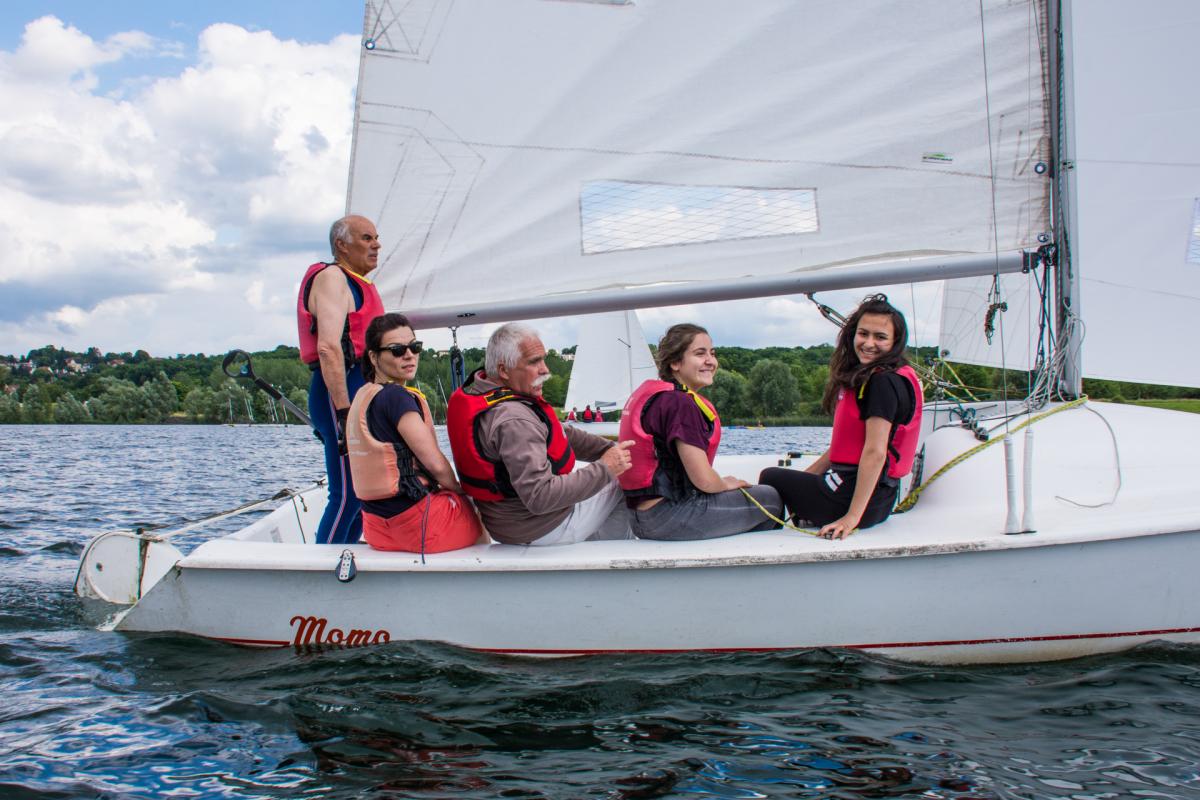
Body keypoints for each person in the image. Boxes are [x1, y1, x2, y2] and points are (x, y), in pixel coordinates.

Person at [447, 323, 635, 545]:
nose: (545, 369)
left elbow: (562, 434)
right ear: (504, 370)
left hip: (508, 524)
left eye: (543, 360)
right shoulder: (514, 419)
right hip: (541, 528)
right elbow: (540, 496)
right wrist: (606, 467)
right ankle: (611, 557)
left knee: (615, 468)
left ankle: (595, 542)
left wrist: (611, 449)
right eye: (534, 362)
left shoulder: (489, 395)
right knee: (624, 478)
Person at [759, 294, 923, 540]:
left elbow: (875, 452)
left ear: (895, 341)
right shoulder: (887, 375)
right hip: (878, 501)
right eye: (863, 334)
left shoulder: (881, 383)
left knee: (770, 477)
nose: (869, 343)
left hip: (853, 502)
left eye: (880, 337)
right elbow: (846, 445)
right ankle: (806, 517)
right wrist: (805, 478)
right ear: (853, 334)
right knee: (790, 480)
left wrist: (851, 518)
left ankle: (771, 536)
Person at [619, 323, 783, 540]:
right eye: (700, 353)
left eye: (712, 353)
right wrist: (725, 483)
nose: (710, 361)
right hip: (669, 517)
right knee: (771, 499)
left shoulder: (661, 398)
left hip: (639, 518)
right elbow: (703, 480)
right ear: (675, 362)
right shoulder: (681, 404)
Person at [347, 313, 483, 554]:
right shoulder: (396, 397)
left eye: (414, 347)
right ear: (374, 357)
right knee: (481, 510)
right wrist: (461, 491)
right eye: (397, 350)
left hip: (376, 529)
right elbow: (435, 464)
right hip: (418, 528)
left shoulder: (363, 396)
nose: (409, 355)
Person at [297, 214, 384, 545]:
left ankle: (341, 558)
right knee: (347, 494)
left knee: (364, 495)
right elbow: (328, 347)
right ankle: (321, 568)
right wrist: (345, 411)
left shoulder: (356, 283)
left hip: (359, 392)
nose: (376, 245)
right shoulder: (333, 278)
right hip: (340, 394)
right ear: (341, 245)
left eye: (376, 238)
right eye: (366, 238)